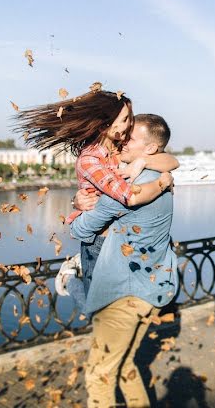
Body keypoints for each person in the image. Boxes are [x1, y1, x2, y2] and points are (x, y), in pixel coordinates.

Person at [14, 86, 177, 295]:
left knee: (117, 307)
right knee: (97, 306)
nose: (130, 124)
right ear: (106, 122)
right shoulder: (91, 159)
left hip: (120, 240)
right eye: (127, 118)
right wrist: (162, 183)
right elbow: (129, 196)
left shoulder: (117, 149)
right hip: (98, 242)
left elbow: (172, 160)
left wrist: (143, 160)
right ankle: (70, 281)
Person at [70, 114, 179, 408]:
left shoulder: (122, 189)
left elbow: (78, 229)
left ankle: (70, 283)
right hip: (153, 287)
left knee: (99, 374)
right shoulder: (162, 177)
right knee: (126, 366)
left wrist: (79, 205)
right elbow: (172, 161)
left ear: (151, 149)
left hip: (122, 293)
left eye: (130, 137)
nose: (122, 139)